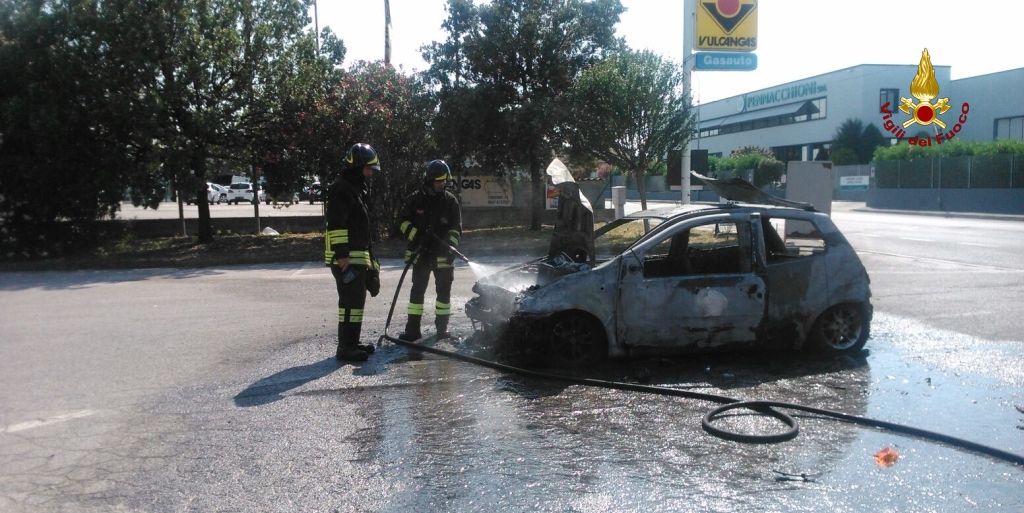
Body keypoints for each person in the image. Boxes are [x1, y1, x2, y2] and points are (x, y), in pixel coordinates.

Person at [324, 143, 382, 362]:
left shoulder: (358, 188)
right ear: (356, 167)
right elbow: (337, 224)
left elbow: (363, 230)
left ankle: (352, 342)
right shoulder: (341, 188)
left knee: (356, 302)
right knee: (349, 303)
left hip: (357, 257)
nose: (370, 173)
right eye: (367, 169)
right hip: (345, 259)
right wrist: (341, 255)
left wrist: (373, 267)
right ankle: (345, 348)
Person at [397, 159, 463, 341]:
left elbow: (456, 228)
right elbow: (402, 221)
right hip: (421, 254)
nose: (443, 184)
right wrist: (416, 235)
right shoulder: (415, 200)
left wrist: (451, 245)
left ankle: (442, 330)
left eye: (444, 181)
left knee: (443, 294)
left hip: (443, 256)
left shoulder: (450, 201)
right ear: (429, 180)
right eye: (439, 181)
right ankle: (412, 331)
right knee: (417, 292)